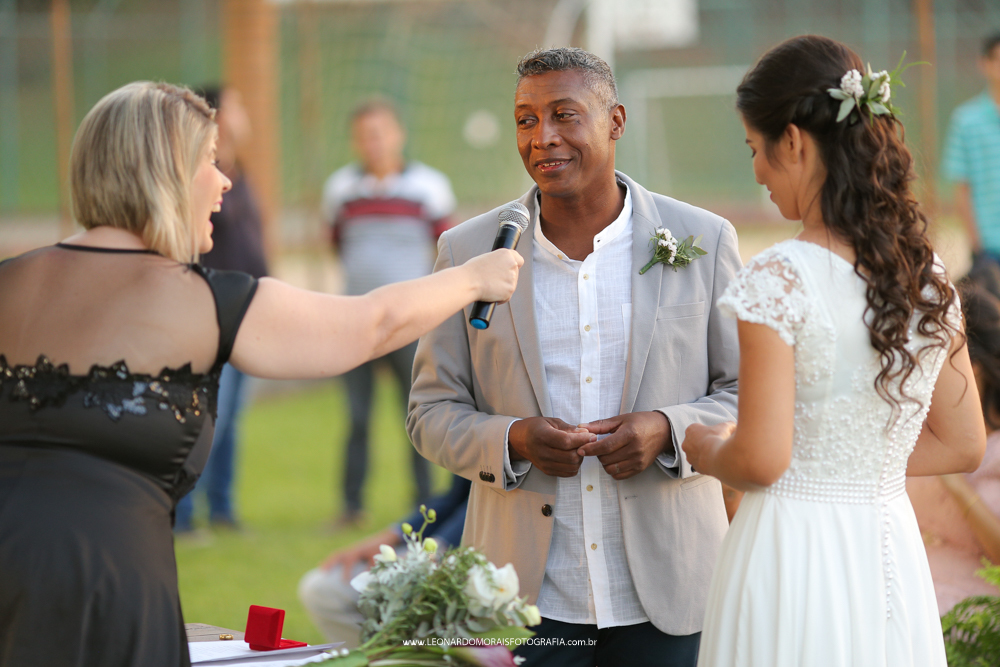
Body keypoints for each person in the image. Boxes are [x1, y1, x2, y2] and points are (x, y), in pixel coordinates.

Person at [0, 81, 520, 667]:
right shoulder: (201, 300)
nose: (224, 181)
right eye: (210, 162)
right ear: (164, 173)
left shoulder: (9, 281)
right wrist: (474, 278)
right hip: (110, 602)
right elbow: (369, 324)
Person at [407, 47, 742, 667]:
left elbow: (746, 395)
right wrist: (513, 439)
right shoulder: (467, 251)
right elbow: (429, 412)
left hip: (673, 594)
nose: (543, 138)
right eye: (526, 120)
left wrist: (668, 430)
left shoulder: (705, 240)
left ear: (615, 120)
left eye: (564, 115)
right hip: (524, 601)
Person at [682, 35, 987, 666]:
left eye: (755, 149)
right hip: (887, 547)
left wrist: (707, 447)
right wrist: (857, 474)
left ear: (792, 141)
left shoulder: (780, 278)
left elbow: (762, 460)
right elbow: (964, 443)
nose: (758, 172)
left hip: (792, 550)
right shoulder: (926, 279)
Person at [323, 99, 456, 526]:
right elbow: (337, 245)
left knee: (417, 415)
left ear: (398, 134)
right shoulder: (340, 189)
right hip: (355, 324)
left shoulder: (430, 188)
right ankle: (350, 506)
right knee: (357, 417)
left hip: (409, 325)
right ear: (355, 140)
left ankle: (423, 504)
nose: (373, 142)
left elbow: (446, 252)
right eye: (365, 134)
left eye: (381, 132)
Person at [175, 84, 267, 533]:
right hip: (214, 313)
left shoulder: (238, 169)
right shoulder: (199, 175)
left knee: (232, 422)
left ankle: (223, 510)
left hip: (249, 312)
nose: (244, 113)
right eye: (236, 105)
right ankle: (185, 516)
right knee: (211, 416)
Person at [907, 280, 1000, 614]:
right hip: (906, 591)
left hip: (967, 615)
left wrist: (956, 485)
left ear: (973, 369)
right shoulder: (919, 429)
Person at [297, 475, 471, 646]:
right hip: (439, 544)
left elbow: (493, 501)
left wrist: (436, 550)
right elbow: (459, 494)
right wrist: (391, 535)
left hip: (477, 559)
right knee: (324, 589)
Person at [943, 32, 1000, 265]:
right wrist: (978, 245)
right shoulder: (965, 120)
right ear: (984, 64)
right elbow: (961, 189)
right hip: (988, 248)